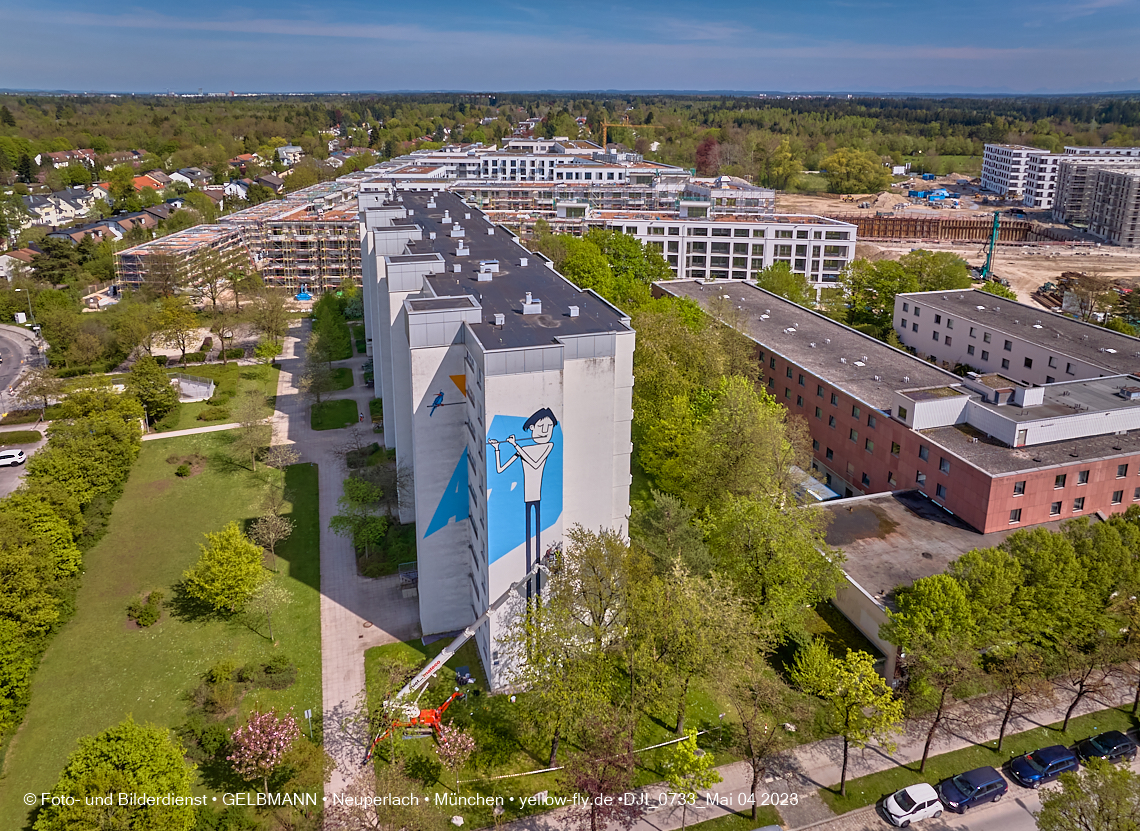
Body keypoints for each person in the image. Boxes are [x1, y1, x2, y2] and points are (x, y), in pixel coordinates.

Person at [488, 407, 557, 599]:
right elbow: (501, 469)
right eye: (541, 426)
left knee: (536, 543)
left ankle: (537, 584)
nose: (545, 430)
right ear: (532, 427)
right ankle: (529, 584)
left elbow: (535, 463)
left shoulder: (548, 446)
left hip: (537, 498)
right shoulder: (524, 449)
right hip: (527, 499)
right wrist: (497, 448)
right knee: (528, 542)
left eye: (549, 426)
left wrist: (516, 445)